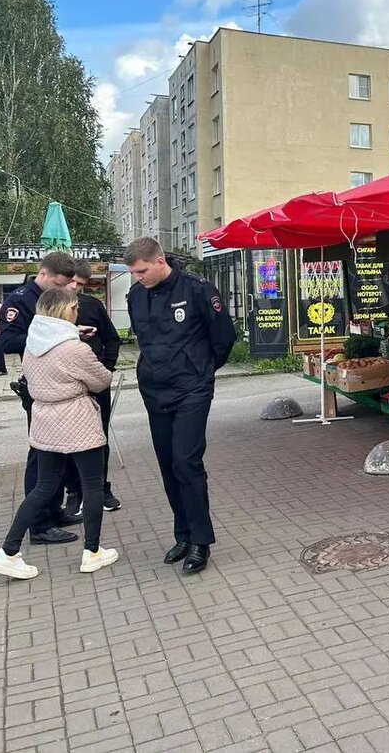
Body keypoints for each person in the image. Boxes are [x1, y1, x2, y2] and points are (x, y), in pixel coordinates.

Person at [0, 287, 118, 579]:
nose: (76, 311)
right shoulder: (76, 349)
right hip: (77, 418)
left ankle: (8, 551)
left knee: (43, 487)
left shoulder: (33, 343)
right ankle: (92, 551)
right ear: (65, 312)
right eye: (73, 307)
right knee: (92, 485)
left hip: (44, 419)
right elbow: (101, 380)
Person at [126, 238, 235, 573]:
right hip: (155, 391)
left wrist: (200, 371)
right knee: (168, 464)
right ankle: (183, 535)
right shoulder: (136, 296)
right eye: (134, 273)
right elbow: (144, 340)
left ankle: (201, 542)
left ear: (160, 261)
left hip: (192, 389)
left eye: (142, 270)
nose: (138, 277)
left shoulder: (198, 290)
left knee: (187, 462)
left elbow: (223, 338)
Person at [0, 252, 82, 544]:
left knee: (59, 453)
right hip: (37, 387)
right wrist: (52, 336)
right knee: (41, 456)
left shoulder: (55, 297)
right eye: (59, 283)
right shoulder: (19, 300)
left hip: (58, 384)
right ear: (43, 274)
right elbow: (7, 341)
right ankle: (39, 525)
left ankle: (53, 509)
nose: (62, 290)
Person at [60, 260, 123, 517]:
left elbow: (112, 338)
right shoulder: (49, 307)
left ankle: (101, 487)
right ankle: (74, 492)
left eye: (81, 284)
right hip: (65, 385)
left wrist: (106, 367)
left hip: (95, 382)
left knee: (99, 436)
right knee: (68, 441)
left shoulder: (91, 305)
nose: (74, 287)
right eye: (71, 281)